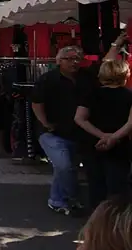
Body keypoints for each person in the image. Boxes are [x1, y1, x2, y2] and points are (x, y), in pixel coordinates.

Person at [32, 46, 96, 216]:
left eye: (77, 58)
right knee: (64, 166)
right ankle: (72, 197)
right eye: (69, 58)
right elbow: (36, 103)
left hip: (78, 133)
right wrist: (45, 123)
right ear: (59, 61)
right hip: (52, 133)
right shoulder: (48, 79)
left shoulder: (86, 77)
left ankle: (56, 199)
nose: (74, 62)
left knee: (68, 168)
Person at [74, 59, 132, 210]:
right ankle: (115, 222)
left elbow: (79, 118)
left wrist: (101, 136)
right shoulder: (129, 95)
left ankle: (96, 222)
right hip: (120, 146)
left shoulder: (91, 94)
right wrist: (113, 138)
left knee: (95, 185)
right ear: (125, 74)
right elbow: (130, 123)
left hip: (92, 144)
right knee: (118, 187)